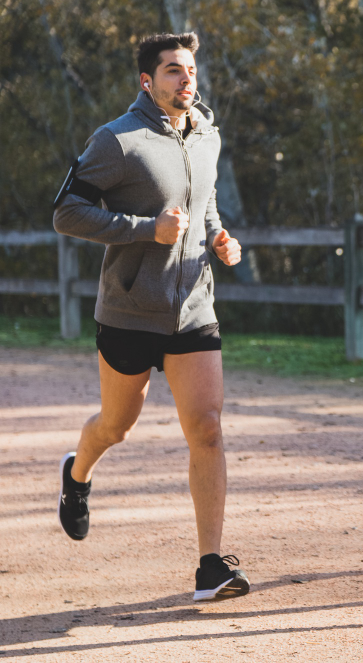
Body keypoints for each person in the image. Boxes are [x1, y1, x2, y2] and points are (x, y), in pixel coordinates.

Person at [53, 32, 250, 600]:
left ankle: (210, 567)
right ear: (147, 81)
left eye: (190, 70)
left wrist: (219, 237)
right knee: (116, 426)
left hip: (193, 310)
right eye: (172, 71)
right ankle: (77, 473)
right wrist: (146, 230)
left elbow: (205, 202)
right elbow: (66, 212)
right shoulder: (117, 140)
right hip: (130, 310)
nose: (186, 79)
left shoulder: (207, 132)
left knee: (207, 429)